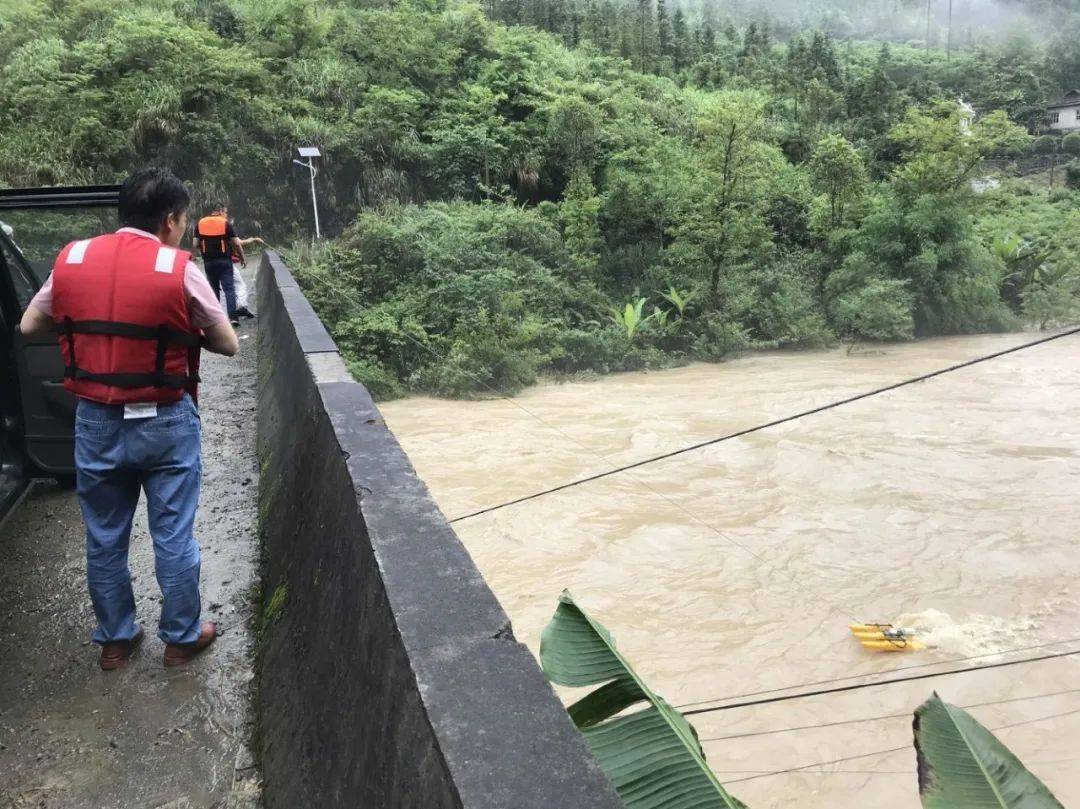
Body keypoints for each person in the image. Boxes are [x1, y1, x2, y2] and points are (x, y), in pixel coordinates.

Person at [19, 167, 239, 671]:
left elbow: (31, 323)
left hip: (96, 420)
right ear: (169, 220)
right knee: (173, 534)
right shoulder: (178, 268)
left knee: (104, 534)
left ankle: (116, 641)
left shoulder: (71, 258)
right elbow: (226, 343)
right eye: (182, 220)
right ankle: (181, 638)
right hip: (165, 422)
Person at [194, 204, 245, 328]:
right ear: (220, 211)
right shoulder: (225, 223)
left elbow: (195, 244)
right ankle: (233, 318)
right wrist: (242, 258)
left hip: (208, 262)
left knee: (213, 289)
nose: (226, 215)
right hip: (224, 261)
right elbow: (237, 244)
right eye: (225, 212)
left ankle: (215, 319)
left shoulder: (200, 223)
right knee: (229, 289)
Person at [232, 235, 264, 319]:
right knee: (240, 286)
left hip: (210, 263)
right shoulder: (225, 229)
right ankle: (241, 307)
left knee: (230, 287)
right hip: (226, 263)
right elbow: (238, 243)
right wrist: (243, 258)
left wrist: (253, 239)